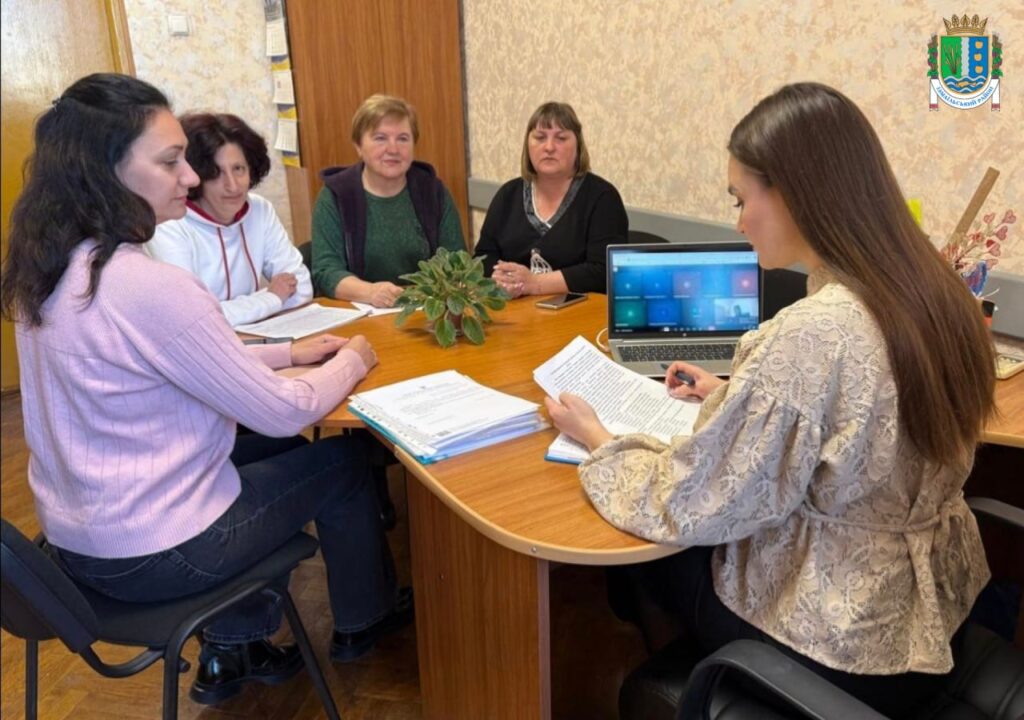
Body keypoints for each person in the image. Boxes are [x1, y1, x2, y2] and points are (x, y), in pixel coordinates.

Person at [545, 83, 995, 716]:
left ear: (794, 192)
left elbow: (692, 502)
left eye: (741, 198)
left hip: (848, 647)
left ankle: (672, 679)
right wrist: (736, 395)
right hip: (937, 613)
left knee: (649, 557)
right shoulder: (936, 292)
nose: (738, 222)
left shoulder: (813, 333)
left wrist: (600, 440)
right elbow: (863, 421)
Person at [0, 74, 412, 706]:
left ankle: (236, 647)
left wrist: (289, 352)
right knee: (346, 460)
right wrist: (352, 359)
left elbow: (182, 360)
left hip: (76, 544)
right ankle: (365, 619)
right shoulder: (147, 284)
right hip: (163, 551)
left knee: (273, 456)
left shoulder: (52, 271)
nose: (191, 178)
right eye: (171, 162)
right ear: (106, 171)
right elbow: (284, 411)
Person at [145, 112, 312, 327]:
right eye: (216, 173)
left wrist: (232, 310)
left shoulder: (260, 210)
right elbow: (193, 316)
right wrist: (271, 297)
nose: (232, 186)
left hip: (258, 336)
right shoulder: (169, 224)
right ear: (197, 177)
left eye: (238, 169)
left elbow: (302, 289)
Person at [311, 94, 465, 307]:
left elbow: (457, 263)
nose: (393, 149)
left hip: (424, 310)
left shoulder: (432, 191)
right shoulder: (336, 195)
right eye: (380, 138)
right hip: (361, 311)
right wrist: (370, 292)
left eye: (402, 138)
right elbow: (326, 271)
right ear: (358, 146)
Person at [474, 101, 628, 296]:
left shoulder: (602, 198)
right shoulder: (508, 195)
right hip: (515, 308)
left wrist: (535, 284)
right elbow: (483, 257)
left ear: (578, 146)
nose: (549, 147)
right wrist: (503, 279)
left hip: (580, 310)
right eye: (539, 137)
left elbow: (603, 271)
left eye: (561, 138)